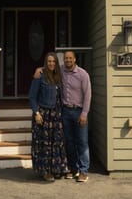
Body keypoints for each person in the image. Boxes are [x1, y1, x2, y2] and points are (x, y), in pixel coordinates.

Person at [34, 50, 91, 183]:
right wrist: (39, 69)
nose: (68, 60)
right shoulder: (60, 71)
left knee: (82, 142)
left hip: (79, 111)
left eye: (70, 58)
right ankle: (73, 168)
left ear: (75, 59)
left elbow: (88, 96)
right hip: (65, 111)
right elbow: (49, 66)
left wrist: (84, 114)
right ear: (63, 60)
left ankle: (83, 171)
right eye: (66, 58)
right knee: (69, 142)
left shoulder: (83, 75)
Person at [28, 52, 68, 182]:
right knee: (44, 145)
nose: (51, 63)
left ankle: (56, 169)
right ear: (46, 63)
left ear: (56, 63)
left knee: (56, 143)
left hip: (56, 115)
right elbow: (32, 97)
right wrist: (36, 113)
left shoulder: (58, 76)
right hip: (43, 115)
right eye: (49, 61)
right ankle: (46, 172)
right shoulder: (40, 75)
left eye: (54, 61)